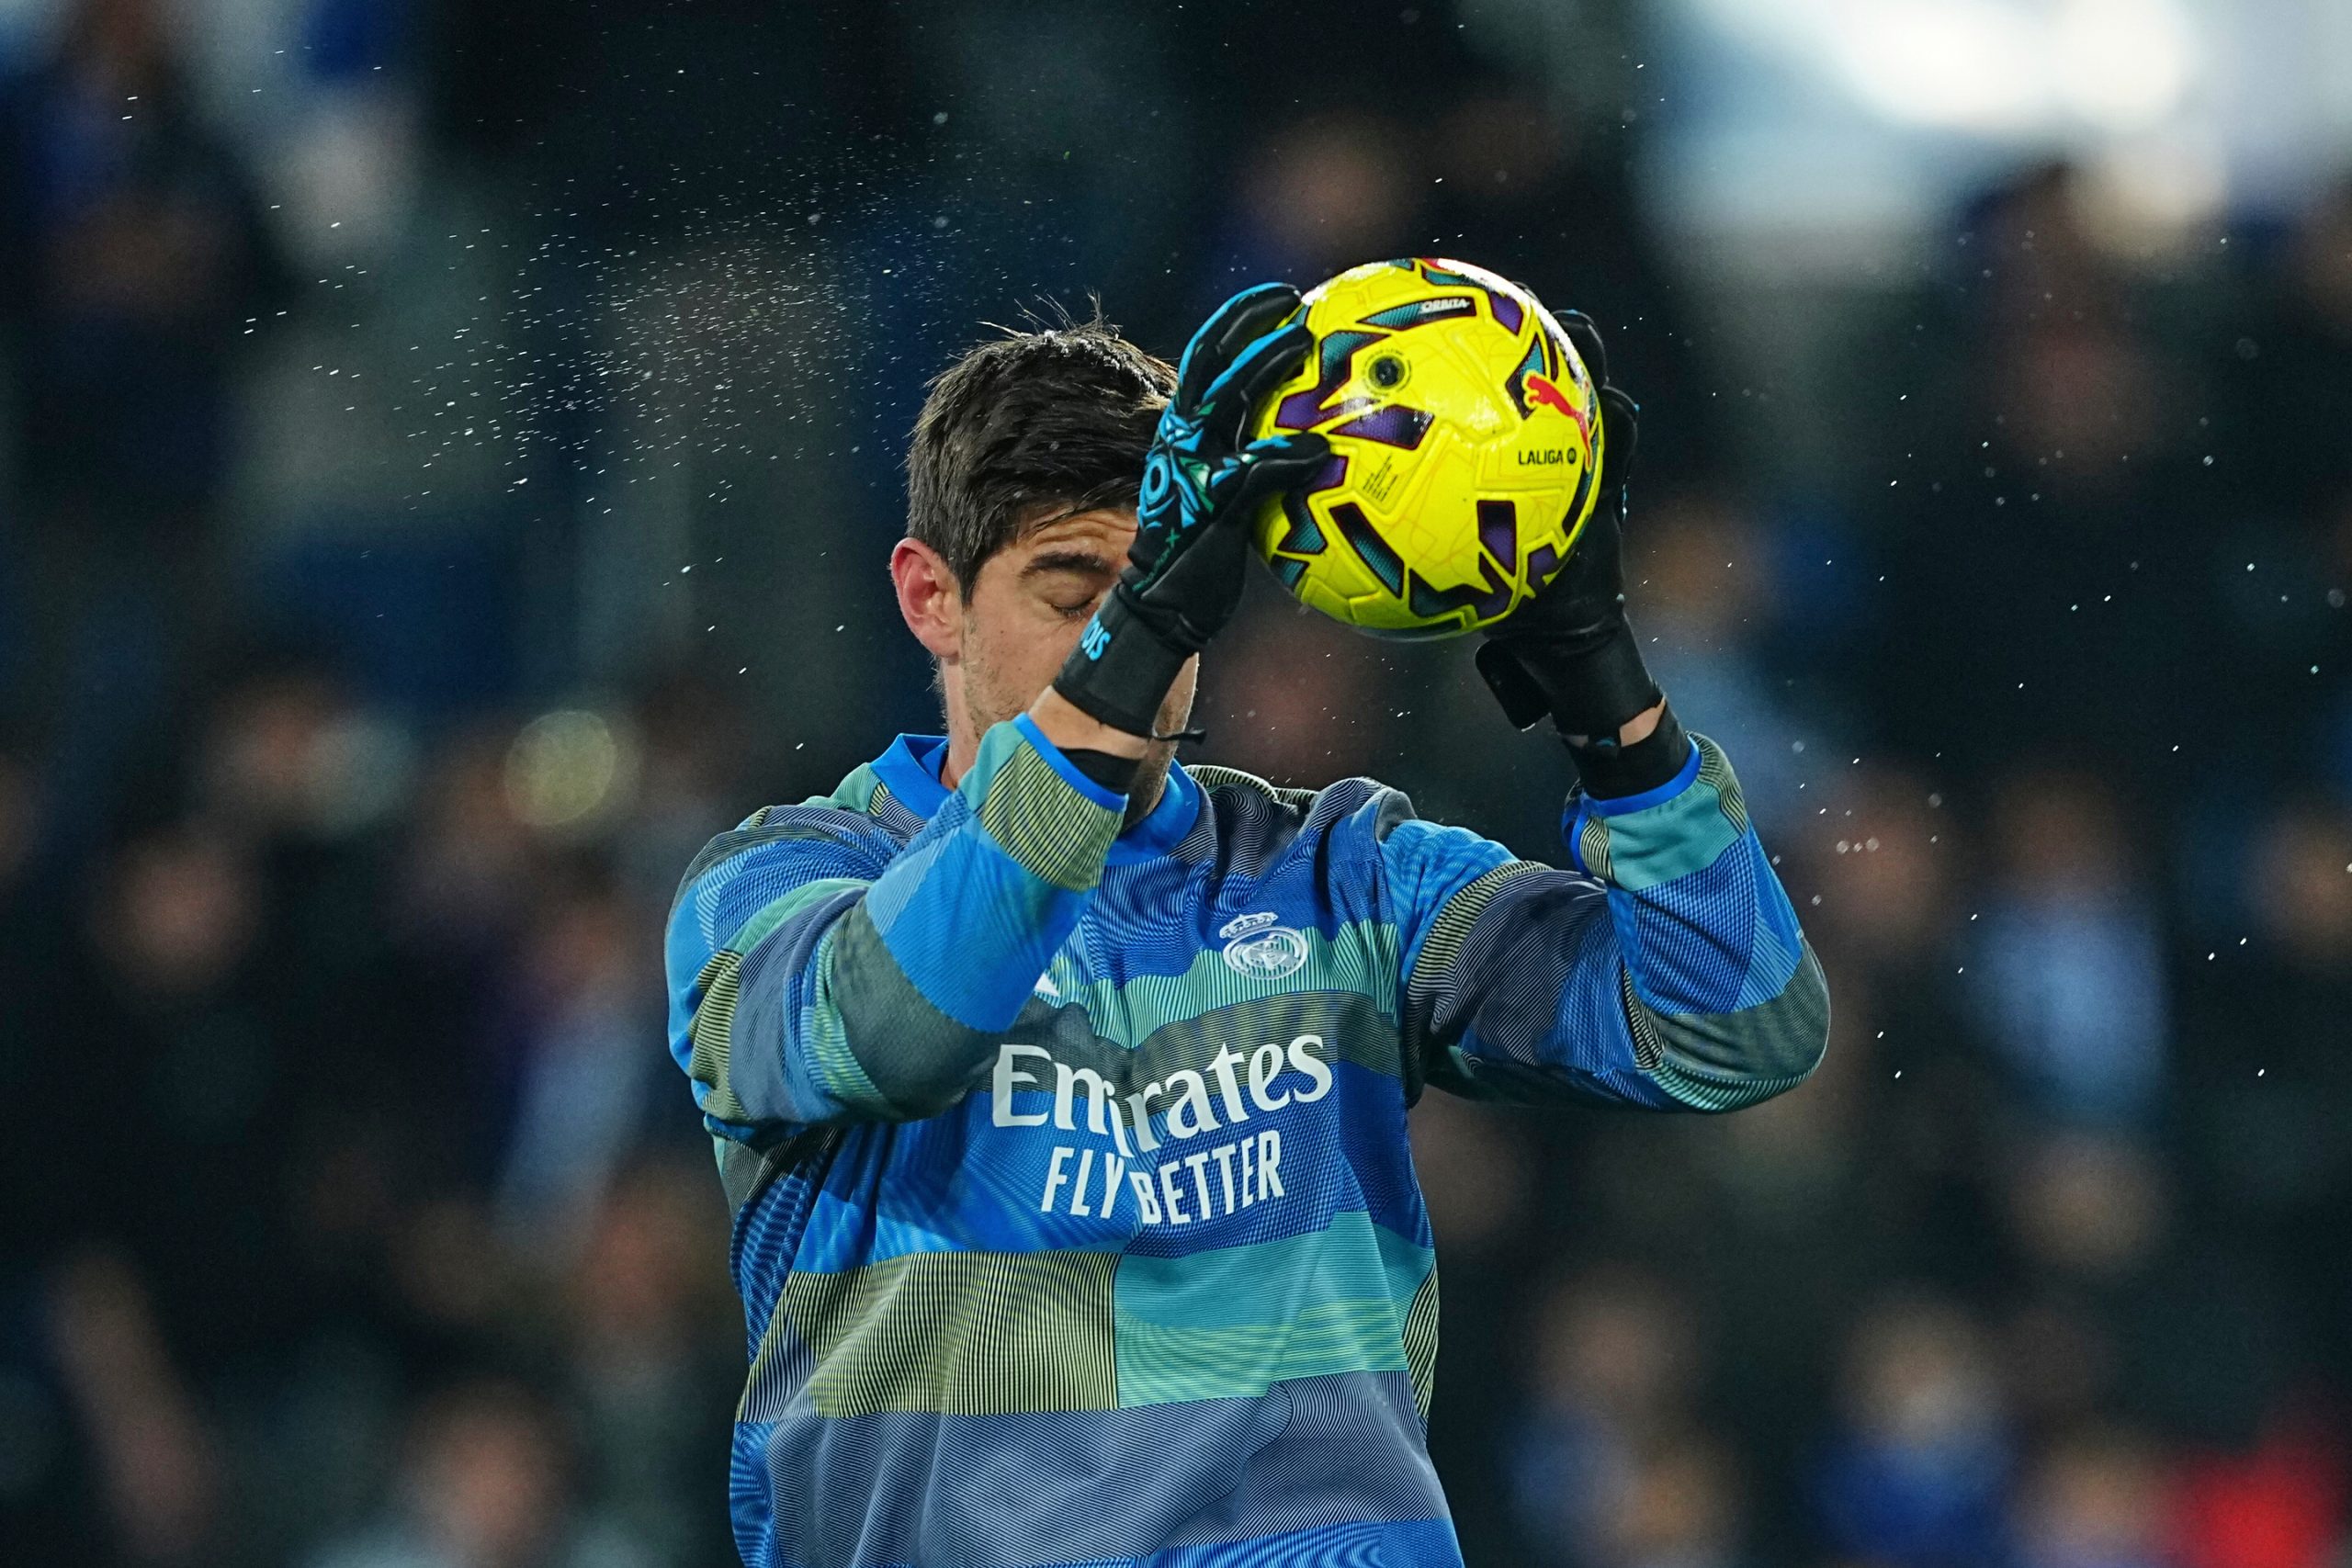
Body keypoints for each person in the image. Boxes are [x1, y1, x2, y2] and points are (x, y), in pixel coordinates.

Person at [662, 282, 1831, 1567]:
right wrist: (1145, 625)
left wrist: (1611, 699)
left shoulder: (1348, 877)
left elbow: (1739, 1029)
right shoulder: (774, 887)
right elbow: (900, 1028)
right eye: (1076, 596)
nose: (1136, 643)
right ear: (930, 598)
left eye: (1164, 596)